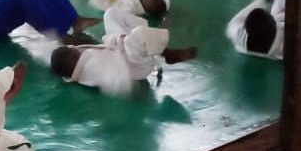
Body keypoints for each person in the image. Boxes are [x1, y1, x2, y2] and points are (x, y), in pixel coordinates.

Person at [50, 8, 197, 95]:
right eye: (70, 52)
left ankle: (150, 34)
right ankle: (169, 54)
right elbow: (116, 80)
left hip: (120, 47)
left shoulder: (79, 57)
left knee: (110, 14)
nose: (73, 49)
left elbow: (99, 49)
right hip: (133, 64)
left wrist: (119, 40)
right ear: (71, 65)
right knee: (139, 35)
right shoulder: (90, 72)